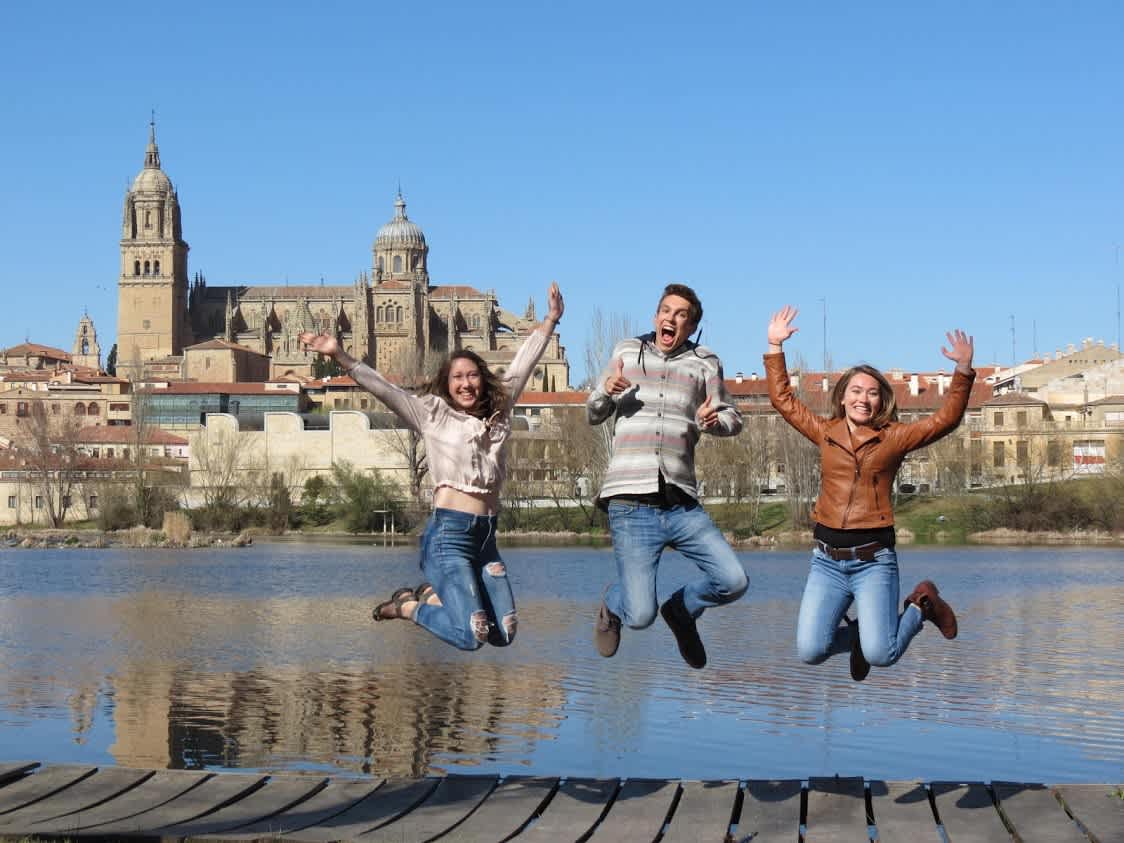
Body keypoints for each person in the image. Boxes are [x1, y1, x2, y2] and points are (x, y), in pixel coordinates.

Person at [299, 282, 564, 651]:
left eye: (472, 375)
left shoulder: (500, 411)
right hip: (448, 536)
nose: (466, 383)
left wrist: (550, 320)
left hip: (486, 536)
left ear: (483, 379)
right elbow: (383, 390)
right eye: (457, 377)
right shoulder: (432, 415)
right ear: (446, 384)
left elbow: (522, 364)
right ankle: (409, 607)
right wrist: (339, 355)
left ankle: (432, 594)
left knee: (505, 632)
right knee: (474, 637)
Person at [765, 304, 974, 681]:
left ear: (882, 401)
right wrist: (775, 347)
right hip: (826, 562)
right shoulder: (825, 432)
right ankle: (861, 636)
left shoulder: (894, 437)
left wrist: (962, 371)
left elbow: (946, 420)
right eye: (856, 391)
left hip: (873, 562)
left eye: (873, 393)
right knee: (811, 651)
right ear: (842, 397)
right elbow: (783, 401)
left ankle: (922, 605)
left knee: (883, 654)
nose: (864, 398)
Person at [588, 284, 748, 669]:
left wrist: (713, 421)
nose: (670, 319)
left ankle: (680, 610)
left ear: (691, 325)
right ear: (655, 317)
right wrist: (606, 393)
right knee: (640, 616)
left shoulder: (705, 362)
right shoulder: (627, 351)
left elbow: (733, 419)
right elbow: (593, 412)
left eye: (680, 315)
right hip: (630, 502)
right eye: (665, 311)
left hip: (680, 501)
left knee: (734, 580)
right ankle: (613, 606)